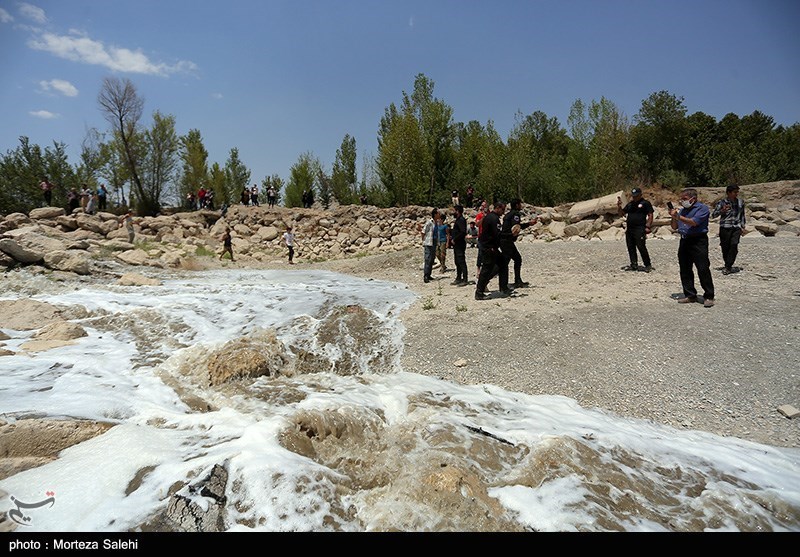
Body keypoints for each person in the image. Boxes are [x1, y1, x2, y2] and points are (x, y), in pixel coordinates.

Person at [669, 188, 715, 308]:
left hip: (698, 241)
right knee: (685, 268)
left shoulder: (702, 209)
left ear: (692, 199)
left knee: (703, 268)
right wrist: (674, 217)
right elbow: (674, 227)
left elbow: (694, 222)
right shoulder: (683, 210)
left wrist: (678, 217)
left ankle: (709, 296)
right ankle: (690, 294)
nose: (682, 201)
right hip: (685, 240)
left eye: (684, 199)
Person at [475, 201, 511, 300]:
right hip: (488, 247)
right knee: (487, 269)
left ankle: (503, 287)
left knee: (502, 264)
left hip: (489, 246)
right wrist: (510, 235)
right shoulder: (493, 219)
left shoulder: (491, 217)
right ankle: (479, 292)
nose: (503, 212)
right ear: (498, 208)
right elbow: (498, 234)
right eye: (502, 209)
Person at [500, 198, 538, 288]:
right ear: (517, 205)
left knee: (516, 259)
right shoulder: (515, 214)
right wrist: (528, 224)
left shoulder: (508, 214)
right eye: (520, 204)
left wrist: (529, 224)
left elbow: (517, 226)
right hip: (507, 241)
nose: (521, 206)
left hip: (505, 240)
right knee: (504, 263)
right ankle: (486, 279)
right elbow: (516, 227)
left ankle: (517, 280)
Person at [712, 184, 747, 275]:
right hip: (725, 227)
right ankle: (727, 264)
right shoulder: (722, 202)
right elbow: (714, 215)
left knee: (734, 245)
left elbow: (742, 215)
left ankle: (728, 266)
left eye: (737, 192)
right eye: (735, 192)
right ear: (728, 193)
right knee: (725, 247)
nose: (736, 194)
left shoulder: (740, 202)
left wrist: (743, 226)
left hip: (736, 227)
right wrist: (722, 211)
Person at [617, 187, 654, 272]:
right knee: (630, 246)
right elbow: (621, 213)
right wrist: (619, 206)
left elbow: (650, 215)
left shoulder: (645, 203)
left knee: (641, 246)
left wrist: (648, 226)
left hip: (640, 228)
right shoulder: (630, 204)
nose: (635, 197)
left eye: (636, 196)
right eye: (633, 196)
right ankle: (634, 264)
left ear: (640, 195)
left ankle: (647, 264)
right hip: (630, 229)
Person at [450, 204, 468, 286]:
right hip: (457, 244)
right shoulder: (458, 220)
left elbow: (463, 232)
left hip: (459, 244)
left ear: (457, 211)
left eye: (454, 210)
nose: (453, 212)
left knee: (461, 261)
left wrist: (455, 239)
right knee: (457, 261)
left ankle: (465, 279)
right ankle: (458, 277)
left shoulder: (461, 220)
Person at [421, 208, 438, 283]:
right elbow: (423, 231)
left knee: (432, 259)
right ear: (435, 214)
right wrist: (424, 240)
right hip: (428, 242)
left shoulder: (436, 223)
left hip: (434, 242)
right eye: (438, 213)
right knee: (427, 259)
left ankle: (429, 274)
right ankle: (425, 276)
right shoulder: (429, 222)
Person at [474, 201, 489, 277]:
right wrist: (483, 217)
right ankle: (478, 269)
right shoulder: (479, 215)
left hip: (489, 237)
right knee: (480, 253)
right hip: (481, 236)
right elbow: (477, 224)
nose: (484, 207)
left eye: (485, 205)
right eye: (483, 205)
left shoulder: (490, 214)